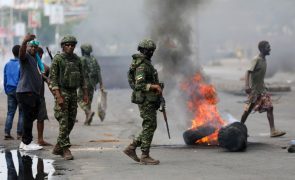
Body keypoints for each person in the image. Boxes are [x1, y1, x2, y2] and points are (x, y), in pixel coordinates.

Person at [50, 35, 88, 160]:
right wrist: (58, 96)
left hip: (73, 93)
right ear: (63, 46)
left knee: (71, 121)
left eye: (72, 45)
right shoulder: (58, 59)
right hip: (62, 92)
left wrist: (85, 93)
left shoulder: (77, 60)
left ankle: (58, 146)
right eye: (67, 45)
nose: (70, 47)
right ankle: (65, 148)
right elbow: (53, 80)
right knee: (64, 121)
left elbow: (82, 78)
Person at [124, 39, 162, 165]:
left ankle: (132, 148)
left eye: (153, 50)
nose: (151, 52)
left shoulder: (146, 63)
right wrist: (153, 87)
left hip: (149, 99)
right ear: (143, 50)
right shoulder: (141, 65)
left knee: (150, 125)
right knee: (149, 125)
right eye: (149, 50)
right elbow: (139, 85)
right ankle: (144, 155)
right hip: (145, 99)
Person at [240, 40, 286, 137]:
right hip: (254, 91)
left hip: (262, 91)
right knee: (248, 110)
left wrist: (264, 85)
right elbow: (248, 72)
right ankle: (240, 128)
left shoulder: (264, 59)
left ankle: (273, 131)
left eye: (269, 47)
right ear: (261, 49)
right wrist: (247, 85)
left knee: (270, 108)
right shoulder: (256, 59)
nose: (270, 49)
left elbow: (259, 75)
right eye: (267, 47)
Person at [17, 34, 43, 151]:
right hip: (26, 92)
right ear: (27, 47)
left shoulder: (35, 59)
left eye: (35, 47)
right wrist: (24, 42)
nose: (33, 49)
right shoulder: (26, 57)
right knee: (28, 117)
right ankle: (27, 142)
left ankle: (24, 141)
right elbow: (21, 54)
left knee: (31, 116)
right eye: (31, 47)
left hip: (32, 93)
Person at [78, 43, 104, 125]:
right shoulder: (93, 59)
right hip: (93, 83)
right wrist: (101, 84)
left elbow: (81, 72)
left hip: (85, 82)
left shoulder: (82, 59)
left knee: (79, 99)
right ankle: (88, 119)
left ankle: (88, 112)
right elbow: (98, 72)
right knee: (88, 101)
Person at [3, 45, 23, 140]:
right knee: (21, 112)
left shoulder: (7, 64)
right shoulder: (21, 64)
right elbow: (21, 79)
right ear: (20, 52)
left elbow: (5, 78)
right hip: (19, 91)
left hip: (9, 90)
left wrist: (6, 90)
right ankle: (19, 133)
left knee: (10, 113)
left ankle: (7, 132)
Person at [35, 47, 52, 146]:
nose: (39, 56)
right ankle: (24, 138)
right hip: (29, 96)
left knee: (41, 118)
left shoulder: (45, 68)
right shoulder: (28, 65)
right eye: (37, 54)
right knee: (27, 118)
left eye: (40, 54)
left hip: (40, 96)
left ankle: (40, 139)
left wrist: (56, 94)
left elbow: (49, 82)